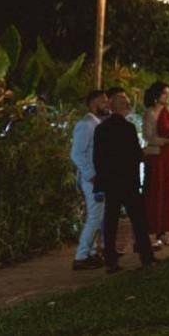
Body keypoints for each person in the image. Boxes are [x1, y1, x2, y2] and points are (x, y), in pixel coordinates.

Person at [93, 92, 155, 273]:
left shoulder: (102, 128)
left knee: (111, 221)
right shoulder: (128, 128)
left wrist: (101, 182)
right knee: (138, 219)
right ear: (124, 107)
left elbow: (98, 157)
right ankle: (146, 256)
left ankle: (110, 259)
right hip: (128, 180)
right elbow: (135, 154)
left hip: (111, 180)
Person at [71, 89, 109, 270]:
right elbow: (77, 154)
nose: (107, 105)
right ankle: (81, 255)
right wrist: (91, 175)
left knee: (98, 216)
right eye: (103, 101)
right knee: (95, 216)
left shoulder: (96, 123)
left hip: (96, 177)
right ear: (94, 103)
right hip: (92, 179)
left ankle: (92, 252)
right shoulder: (86, 124)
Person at [141, 81, 169, 248]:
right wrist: (167, 141)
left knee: (167, 193)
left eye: (168, 93)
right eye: (165, 93)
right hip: (157, 156)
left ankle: (163, 231)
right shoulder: (150, 113)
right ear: (157, 95)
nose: (167, 96)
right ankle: (150, 231)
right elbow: (148, 137)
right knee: (154, 193)